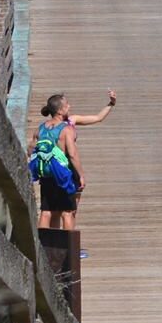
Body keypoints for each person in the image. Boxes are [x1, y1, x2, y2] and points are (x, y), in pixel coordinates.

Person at [29, 89, 117, 230]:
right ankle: (69, 250)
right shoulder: (67, 128)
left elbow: (31, 150)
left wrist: (111, 104)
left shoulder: (40, 129)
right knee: (68, 213)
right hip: (66, 175)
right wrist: (81, 175)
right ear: (60, 111)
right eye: (67, 105)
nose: (69, 106)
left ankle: (44, 249)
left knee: (47, 212)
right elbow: (72, 155)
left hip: (47, 175)